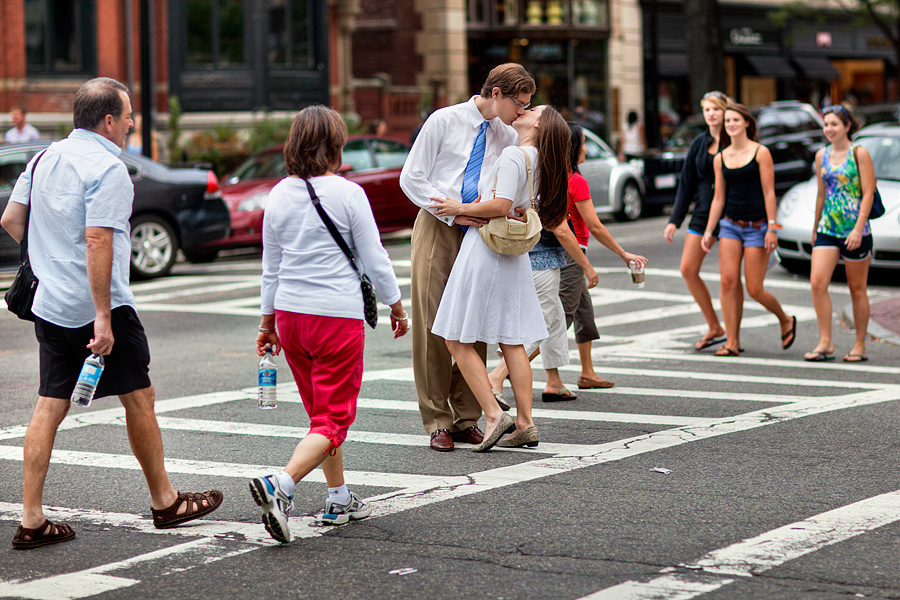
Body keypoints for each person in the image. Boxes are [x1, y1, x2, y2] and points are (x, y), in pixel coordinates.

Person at [1, 77, 222, 550]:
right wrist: (102, 316)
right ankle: (166, 501)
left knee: (48, 405)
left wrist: (51, 258)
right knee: (139, 397)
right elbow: (99, 238)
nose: (130, 125)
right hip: (102, 307)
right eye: (127, 117)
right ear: (107, 121)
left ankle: (32, 518)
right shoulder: (109, 168)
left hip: (50, 305)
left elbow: (10, 220)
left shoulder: (43, 159)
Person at [250, 106, 408, 543]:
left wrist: (267, 323)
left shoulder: (278, 193)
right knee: (334, 418)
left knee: (322, 416)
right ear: (336, 146)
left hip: (291, 317)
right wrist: (396, 305)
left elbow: (271, 267)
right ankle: (279, 486)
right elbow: (374, 258)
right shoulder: (348, 193)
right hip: (335, 316)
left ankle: (338, 497)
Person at [399, 63, 535, 452]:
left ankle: (467, 417)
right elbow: (412, 177)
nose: (522, 111)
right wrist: (450, 211)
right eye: (519, 103)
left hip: (482, 231)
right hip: (438, 224)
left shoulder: (509, 134)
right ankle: (437, 420)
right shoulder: (444, 120)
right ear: (496, 93)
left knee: (475, 322)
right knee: (432, 324)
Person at [428, 105, 571, 451]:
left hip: (485, 249)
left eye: (532, 108)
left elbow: (499, 205)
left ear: (539, 124)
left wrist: (456, 208)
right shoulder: (541, 159)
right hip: (513, 255)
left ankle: (493, 414)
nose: (524, 108)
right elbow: (520, 205)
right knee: (511, 339)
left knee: (455, 338)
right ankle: (525, 423)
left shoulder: (513, 154)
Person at [701, 103, 796, 357]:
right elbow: (718, 198)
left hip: (757, 227)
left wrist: (772, 228)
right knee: (727, 281)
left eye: (736, 119)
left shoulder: (761, 152)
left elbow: (769, 192)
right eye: (728, 120)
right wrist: (710, 231)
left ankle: (785, 319)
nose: (731, 124)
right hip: (730, 225)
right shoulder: (721, 157)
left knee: (755, 288)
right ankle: (732, 341)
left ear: (746, 123)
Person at [558, 121, 647, 387]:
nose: (586, 148)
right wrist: (623, 254)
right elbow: (595, 226)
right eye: (583, 143)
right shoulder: (576, 181)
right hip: (573, 254)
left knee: (584, 314)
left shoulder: (555, 176)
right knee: (558, 321)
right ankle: (500, 373)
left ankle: (587, 373)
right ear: (572, 148)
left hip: (563, 252)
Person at [486, 199, 599, 404]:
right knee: (542, 323)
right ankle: (496, 377)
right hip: (541, 262)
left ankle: (554, 383)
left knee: (555, 319)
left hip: (520, 256)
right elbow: (561, 230)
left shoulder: (522, 177)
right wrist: (587, 267)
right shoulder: (545, 184)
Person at [664, 91, 737, 351]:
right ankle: (714, 326)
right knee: (688, 268)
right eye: (707, 110)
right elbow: (687, 183)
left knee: (730, 279)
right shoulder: (699, 143)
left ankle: (733, 337)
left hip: (732, 213)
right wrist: (675, 220)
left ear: (726, 111)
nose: (712, 114)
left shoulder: (736, 139)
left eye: (716, 109)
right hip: (704, 212)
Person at [804, 105, 875, 363]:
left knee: (857, 289)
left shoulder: (860, 153)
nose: (829, 129)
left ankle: (859, 345)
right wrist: (815, 228)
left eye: (834, 124)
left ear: (847, 126)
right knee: (817, 283)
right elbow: (821, 194)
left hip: (856, 230)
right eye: (826, 125)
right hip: (828, 229)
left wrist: (858, 228)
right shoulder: (820, 156)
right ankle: (825, 342)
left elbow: (868, 192)